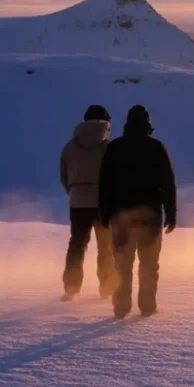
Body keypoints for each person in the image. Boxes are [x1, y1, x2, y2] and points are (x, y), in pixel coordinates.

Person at [99, 105, 177, 319]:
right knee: (149, 263)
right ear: (148, 125)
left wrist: (104, 213)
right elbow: (167, 183)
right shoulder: (156, 147)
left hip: (121, 215)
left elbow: (104, 184)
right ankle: (148, 305)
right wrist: (171, 214)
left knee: (122, 264)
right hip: (150, 216)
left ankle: (121, 307)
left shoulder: (114, 148)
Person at [59, 105, 118, 302]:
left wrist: (74, 192)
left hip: (78, 202)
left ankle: (71, 288)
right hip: (104, 203)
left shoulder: (70, 146)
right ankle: (107, 288)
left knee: (77, 244)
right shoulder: (109, 147)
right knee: (106, 246)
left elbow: (64, 175)